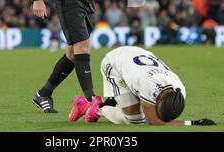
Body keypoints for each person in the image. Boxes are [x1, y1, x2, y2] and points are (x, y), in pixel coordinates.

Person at [76, 46, 216, 126]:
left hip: (136, 58)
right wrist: (192, 123)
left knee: (137, 106)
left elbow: (163, 119)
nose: (159, 115)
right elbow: (154, 122)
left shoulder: (180, 91)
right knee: (135, 120)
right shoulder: (149, 86)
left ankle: (115, 100)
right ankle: (97, 107)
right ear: (159, 98)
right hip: (114, 63)